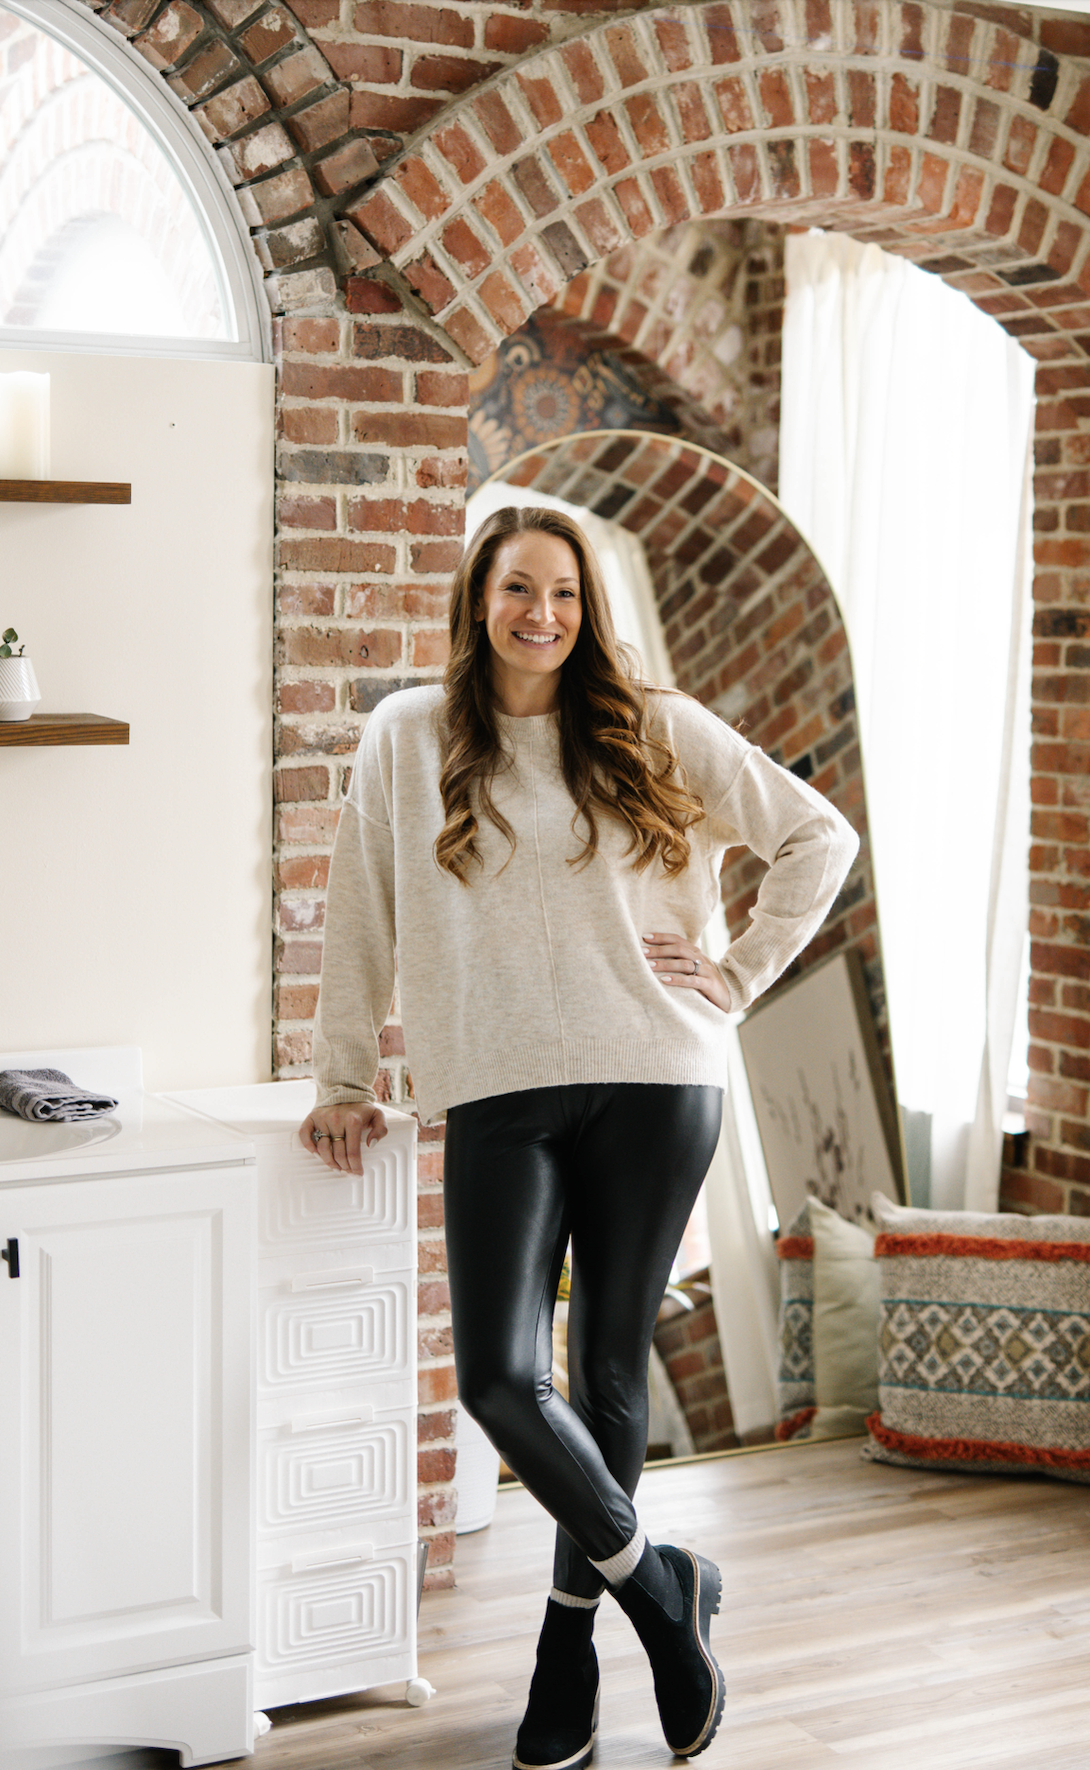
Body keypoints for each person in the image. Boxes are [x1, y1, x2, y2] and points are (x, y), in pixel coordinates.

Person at [300, 505, 858, 1769]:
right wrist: (342, 1075)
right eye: (514, 589)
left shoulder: (654, 725)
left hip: (655, 1076)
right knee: (502, 1377)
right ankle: (663, 1593)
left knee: (608, 1372)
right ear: (478, 598)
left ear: (586, 605)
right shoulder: (408, 735)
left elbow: (817, 836)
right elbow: (357, 911)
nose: (538, 614)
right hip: (493, 1085)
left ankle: (565, 1649)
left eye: (561, 592)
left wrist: (737, 970)